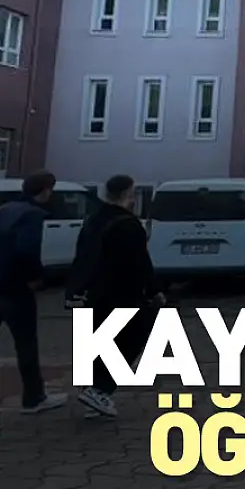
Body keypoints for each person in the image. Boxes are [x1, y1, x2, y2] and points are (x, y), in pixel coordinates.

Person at [68, 174, 164, 418]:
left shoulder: (93, 220)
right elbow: (139, 262)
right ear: (128, 194)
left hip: (91, 292)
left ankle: (91, 394)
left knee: (96, 342)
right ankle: (100, 389)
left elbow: (82, 255)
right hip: (120, 292)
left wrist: (74, 289)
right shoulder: (128, 224)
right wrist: (154, 290)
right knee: (134, 335)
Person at [0, 171, 67, 414]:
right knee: (26, 344)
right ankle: (34, 396)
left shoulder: (5, 210)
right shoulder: (32, 215)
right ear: (45, 191)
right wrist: (35, 278)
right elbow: (27, 249)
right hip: (16, 289)